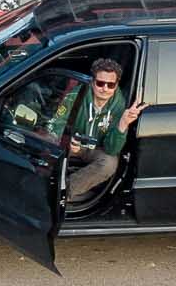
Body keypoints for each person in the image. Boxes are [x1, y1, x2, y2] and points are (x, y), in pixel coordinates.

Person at [51, 58, 144, 203]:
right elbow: (56, 126)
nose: (105, 89)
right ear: (92, 82)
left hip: (97, 148)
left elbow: (112, 149)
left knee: (109, 163)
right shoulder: (75, 96)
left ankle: (60, 194)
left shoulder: (120, 105)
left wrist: (123, 124)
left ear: (117, 84)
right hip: (71, 144)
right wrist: (66, 142)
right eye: (100, 83)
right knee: (49, 149)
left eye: (111, 85)